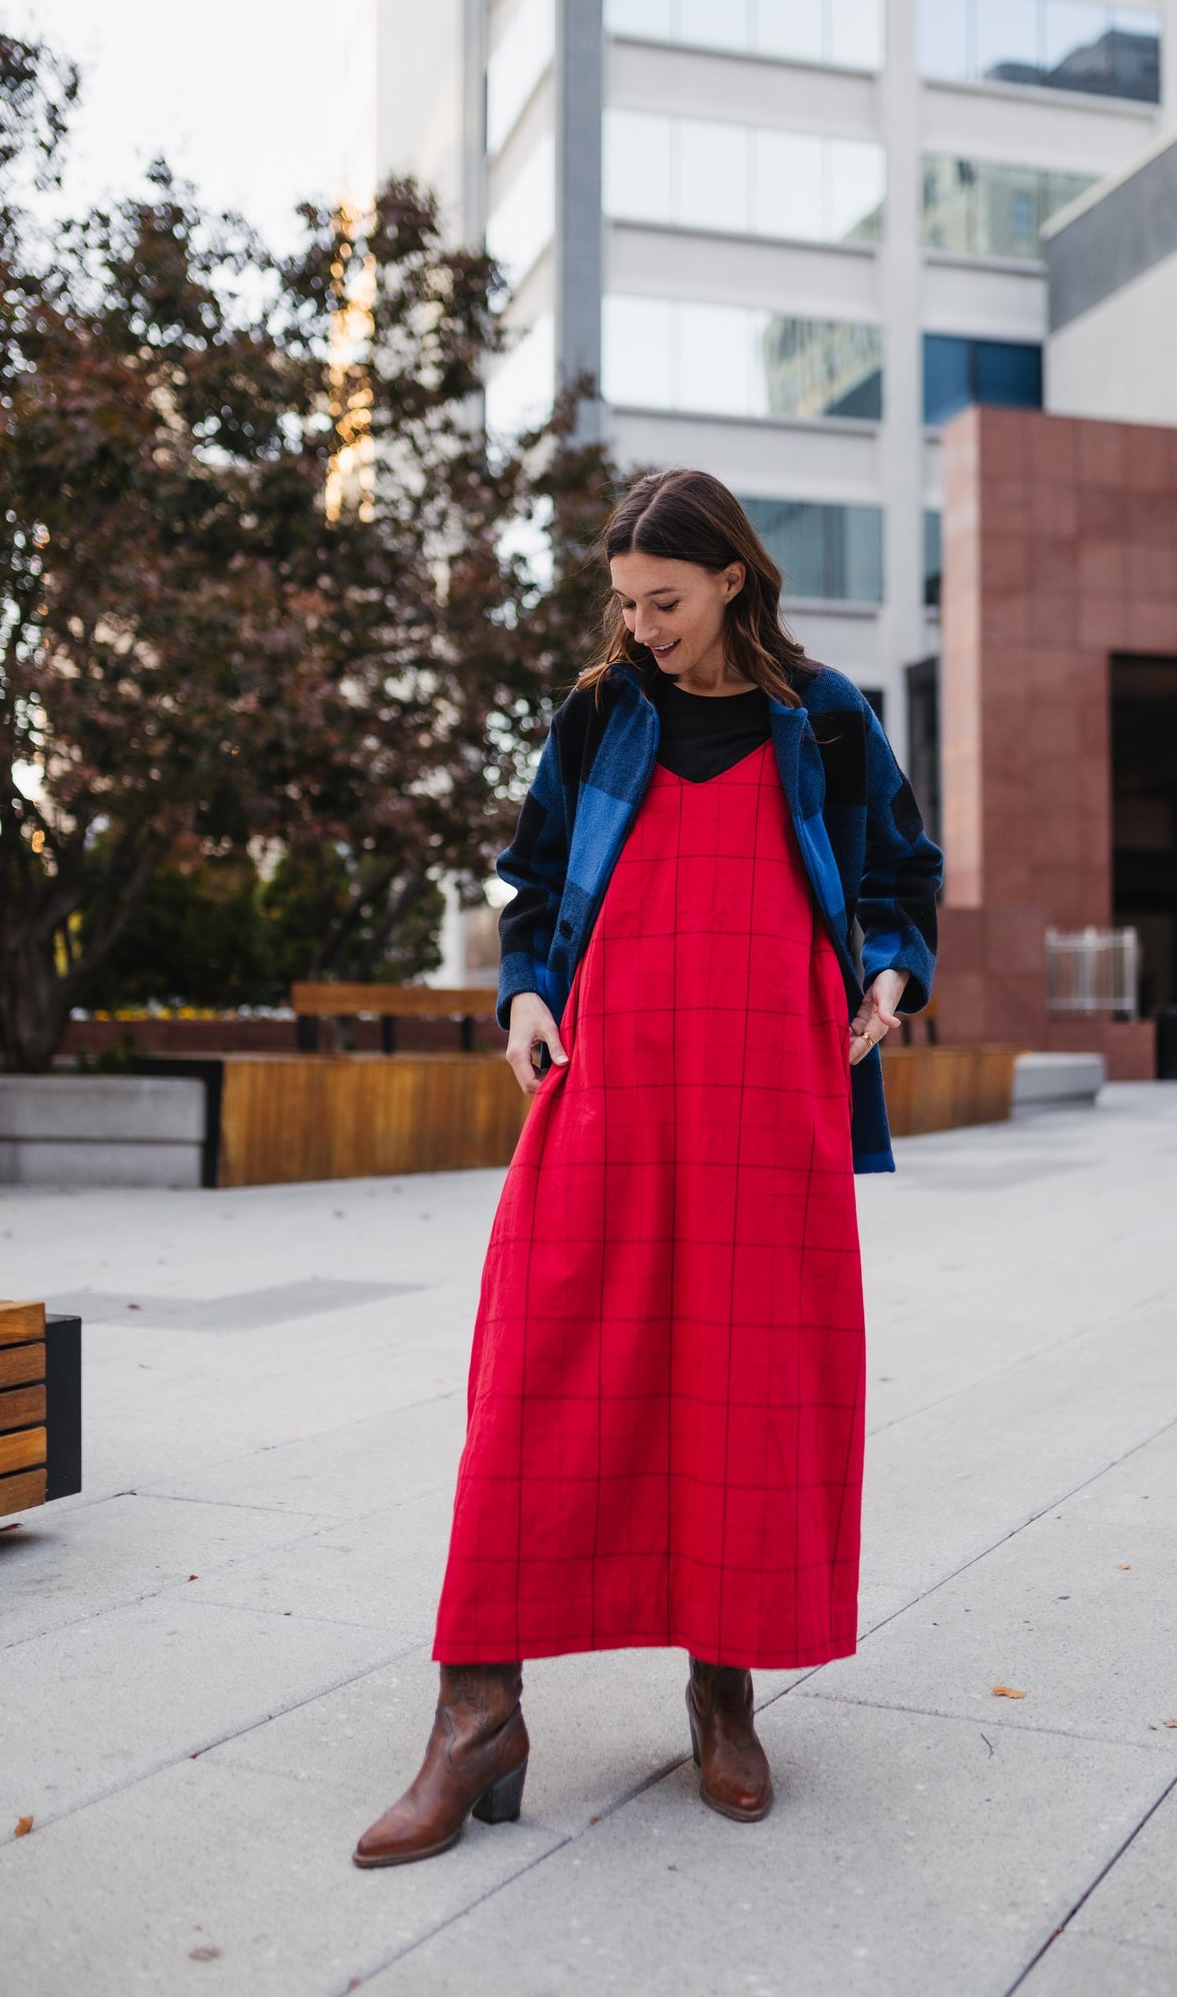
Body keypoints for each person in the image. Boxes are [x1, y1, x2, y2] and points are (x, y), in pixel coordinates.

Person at [354, 468, 942, 1868]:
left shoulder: (826, 717)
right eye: (623, 602)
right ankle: (475, 1709)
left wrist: (888, 971)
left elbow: (899, 876)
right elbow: (529, 876)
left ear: (732, 579)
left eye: (662, 601)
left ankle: (724, 1688)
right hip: (610, 1077)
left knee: (745, 1390)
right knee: (542, 1373)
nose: (641, 627)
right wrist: (523, 989)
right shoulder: (600, 711)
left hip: (766, 1094)